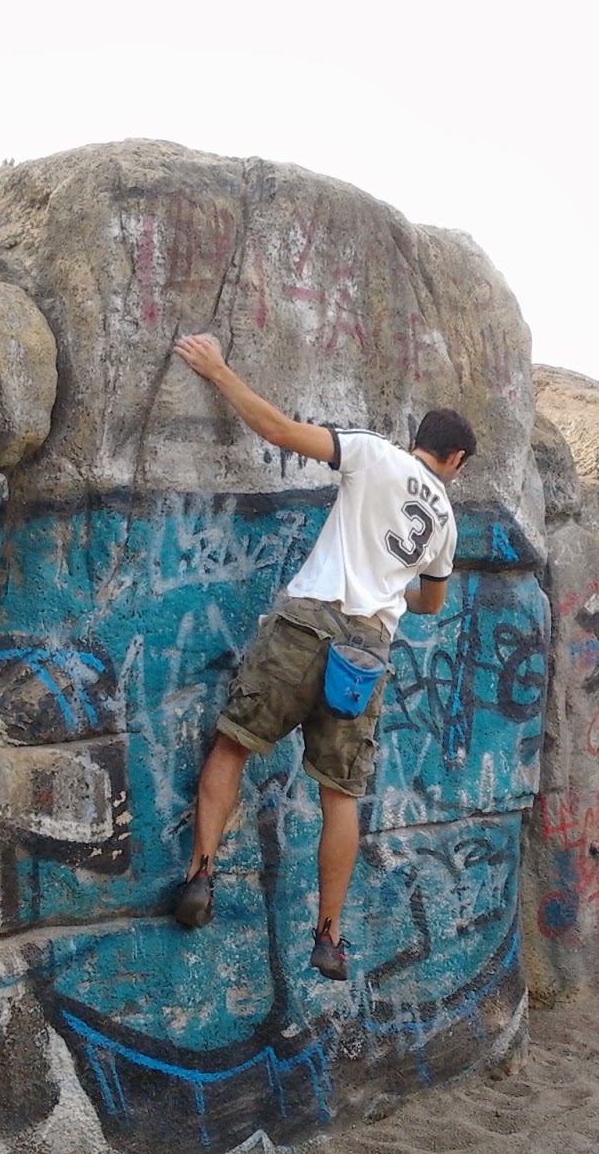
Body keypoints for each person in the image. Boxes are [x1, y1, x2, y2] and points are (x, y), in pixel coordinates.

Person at [170, 333, 476, 981]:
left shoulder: (372, 454)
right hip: (366, 649)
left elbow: (280, 430)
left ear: (418, 438)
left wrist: (219, 370)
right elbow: (430, 605)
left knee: (233, 748)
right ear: (454, 458)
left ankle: (201, 874)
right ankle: (329, 938)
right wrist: (395, 580)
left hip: (307, 622)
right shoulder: (446, 517)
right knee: (340, 796)